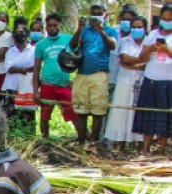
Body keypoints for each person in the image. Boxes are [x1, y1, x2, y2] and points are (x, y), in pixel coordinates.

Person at [69, 4, 118, 144]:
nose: (96, 15)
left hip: (100, 74)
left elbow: (112, 45)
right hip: (82, 74)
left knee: (98, 111)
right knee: (81, 110)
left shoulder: (110, 30)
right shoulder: (84, 30)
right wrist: (79, 29)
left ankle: (93, 142)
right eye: (94, 13)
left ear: (105, 14)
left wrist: (101, 31)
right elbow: (72, 46)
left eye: (99, 13)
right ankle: (81, 141)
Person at [132, 3, 172, 156]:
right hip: (150, 79)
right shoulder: (152, 34)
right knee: (147, 114)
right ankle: (145, 148)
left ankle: (161, 149)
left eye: (170, 19)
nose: (167, 21)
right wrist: (150, 49)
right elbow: (141, 58)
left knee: (165, 115)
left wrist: (166, 51)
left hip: (168, 81)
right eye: (164, 18)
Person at [104, 16, 148, 150]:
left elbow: (148, 63)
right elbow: (124, 58)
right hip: (124, 80)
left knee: (139, 111)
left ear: (145, 28)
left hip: (143, 81)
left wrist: (133, 63)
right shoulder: (124, 41)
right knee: (123, 111)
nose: (136, 29)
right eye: (134, 26)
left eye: (139, 27)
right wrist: (140, 62)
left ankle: (141, 144)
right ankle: (121, 143)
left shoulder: (149, 42)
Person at [34, 13, 79, 139]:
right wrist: (35, 91)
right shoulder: (41, 44)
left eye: (55, 25)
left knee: (74, 114)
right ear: (46, 27)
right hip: (47, 85)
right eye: (49, 26)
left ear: (60, 25)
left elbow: (79, 59)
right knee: (44, 116)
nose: (52, 28)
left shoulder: (68, 39)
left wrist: (75, 80)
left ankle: (83, 140)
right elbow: (36, 69)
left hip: (64, 85)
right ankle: (44, 142)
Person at [3, 24, 36, 124]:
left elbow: (35, 67)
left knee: (27, 114)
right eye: (16, 32)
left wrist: (18, 69)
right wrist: (25, 69)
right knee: (11, 115)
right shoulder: (10, 51)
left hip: (27, 87)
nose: (19, 34)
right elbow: (9, 68)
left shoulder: (33, 50)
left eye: (21, 32)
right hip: (11, 86)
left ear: (27, 34)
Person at [111, 6, 138, 91]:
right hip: (109, 76)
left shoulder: (136, 36)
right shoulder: (113, 30)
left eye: (129, 20)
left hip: (126, 78)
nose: (126, 22)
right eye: (123, 19)